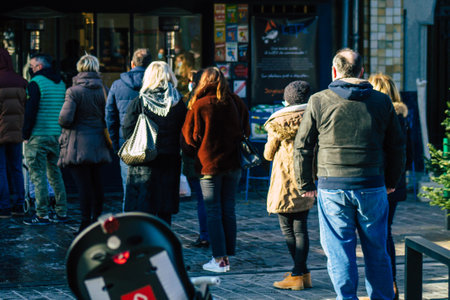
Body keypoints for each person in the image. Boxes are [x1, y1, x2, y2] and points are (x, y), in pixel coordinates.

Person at [293, 48, 405, 300]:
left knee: (339, 251)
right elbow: (397, 145)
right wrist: (391, 181)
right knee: (377, 250)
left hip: (332, 185)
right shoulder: (381, 101)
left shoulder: (319, 100)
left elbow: (303, 145)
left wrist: (305, 182)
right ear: (362, 71)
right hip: (373, 185)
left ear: (335, 71)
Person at [181, 66, 250, 273]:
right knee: (228, 209)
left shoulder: (199, 105)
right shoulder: (236, 102)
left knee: (213, 210)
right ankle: (227, 256)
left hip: (209, 165)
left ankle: (219, 259)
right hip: (233, 165)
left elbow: (188, 140)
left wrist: (196, 154)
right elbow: (245, 131)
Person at [264, 80, 315, 290]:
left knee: (287, 229)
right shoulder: (314, 117)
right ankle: (302, 273)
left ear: (287, 99)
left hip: (284, 180)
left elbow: (268, 154)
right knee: (301, 228)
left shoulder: (278, 121)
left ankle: (297, 274)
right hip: (306, 178)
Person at [122, 61, 186, 226]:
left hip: (145, 160)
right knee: (165, 208)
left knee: (144, 207)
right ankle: (164, 241)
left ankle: (146, 242)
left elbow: (127, 130)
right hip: (170, 160)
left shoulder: (140, 101)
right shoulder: (179, 103)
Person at [58, 54, 112, 233]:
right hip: (99, 142)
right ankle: (97, 220)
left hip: (78, 144)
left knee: (83, 186)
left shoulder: (74, 91)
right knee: (97, 184)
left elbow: (65, 119)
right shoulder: (103, 89)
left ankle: (84, 223)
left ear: (79, 68)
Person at [368, 72, 408, 300]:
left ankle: (387, 284)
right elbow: (407, 152)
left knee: (379, 235)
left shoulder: (381, 115)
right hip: (396, 182)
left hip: (380, 182)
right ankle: (389, 284)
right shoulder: (403, 116)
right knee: (385, 232)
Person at [22, 53, 68, 226]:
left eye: (32, 67)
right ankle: (61, 211)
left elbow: (30, 111)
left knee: (38, 175)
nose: (30, 70)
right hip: (57, 134)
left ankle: (42, 214)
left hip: (38, 135)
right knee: (55, 174)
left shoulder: (36, 83)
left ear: (39, 67)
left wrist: (25, 134)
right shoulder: (61, 83)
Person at [105, 48, 152, 211]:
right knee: (149, 192)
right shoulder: (157, 84)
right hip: (152, 144)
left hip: (127, 143)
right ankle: (148, 228)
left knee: (128, 190)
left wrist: (116, 143)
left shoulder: (118, 85)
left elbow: (110, 116)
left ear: (131, 64)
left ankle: (130, 226)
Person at [182, 69, 209, 248]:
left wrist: (187, 152)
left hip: (199, 160)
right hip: (222, 160)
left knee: (203, 199)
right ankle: (220, 235)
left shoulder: (192, 102)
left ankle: (206, 234)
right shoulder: (227, 99)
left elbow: (187, 135)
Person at [0, 48, 28, 218]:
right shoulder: (21, 82)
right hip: (17, 133)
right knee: (16, 168)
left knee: (1, 169)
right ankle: (19, 205)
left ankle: (3, 207)